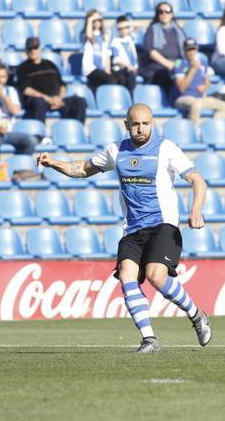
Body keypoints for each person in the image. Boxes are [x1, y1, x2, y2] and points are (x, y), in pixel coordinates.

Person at [36, 103, 212, 354]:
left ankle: (196, 315)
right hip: (132, 229)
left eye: (146, 123)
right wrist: (54, 163)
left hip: (163, 225)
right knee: (127, 275)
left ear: (152, 123)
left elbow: (197, 180)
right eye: (136, 124)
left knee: (155, 276)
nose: (141, 129)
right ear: (126, 125)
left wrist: (196, 210)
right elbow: (83, 169)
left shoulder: (166, 148)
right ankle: (149, 339)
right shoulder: (116, 150)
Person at [17, 37, 87, 123]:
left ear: (39, 49)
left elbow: (62, 85)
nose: (33, 51)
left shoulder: (50, 64)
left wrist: (59, 99)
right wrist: (48, 99)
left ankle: (77, 131)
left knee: (79, 101)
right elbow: (26, 90)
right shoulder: (22, 68)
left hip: (57, 99)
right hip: (40, 100)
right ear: (26, 51)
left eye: (35, 48)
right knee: (39, 103)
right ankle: (39, 135)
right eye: (30, 49)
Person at [0, 64, 39, 156]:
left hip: (9, 132)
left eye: (3, 77)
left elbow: (15, 111)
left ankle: (20, 165)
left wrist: (1, 94)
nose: (0, 80)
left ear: (7, 78)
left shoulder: (11, 91)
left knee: (31, 141)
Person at [172, 38, 225, 126]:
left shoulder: (203, 62)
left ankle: (213, 129)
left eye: (193, 49)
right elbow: (181, 88)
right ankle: (195, 132)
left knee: (224, 106)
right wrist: (193, 70)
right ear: (184, 50)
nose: (191, 52)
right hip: (183, 98)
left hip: (200, 97)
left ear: (197, 49)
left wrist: (205, 86)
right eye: (188, 49)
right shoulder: (179, 63)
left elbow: (207, 80)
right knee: (196, 105)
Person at [140, 2, 186, 100]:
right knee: (167, 74)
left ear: (172, 14)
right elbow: (151, 51)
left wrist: (178, 65)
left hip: (176, 64)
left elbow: (186, 49)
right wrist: (168, 64)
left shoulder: (179, 31)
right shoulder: (152, 29)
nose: (164, 14)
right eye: (161, 12)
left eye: (167, 11)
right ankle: (170, 103)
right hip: (157, 66)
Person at [80, 9, 117, 93]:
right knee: (110, 80)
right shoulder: (85, 34)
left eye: (99, 20)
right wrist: (90, 19)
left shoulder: (104, 36)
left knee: (118, 78)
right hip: (90, 69)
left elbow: (107, 54)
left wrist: (107, 70)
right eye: (94, 20)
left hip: (101, 68)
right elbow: (89, 35)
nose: (97, 22)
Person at [108, 15, 139, 92]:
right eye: (120, 29)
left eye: (126, 27)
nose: (123, 30)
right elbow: (116, 60)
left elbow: (137, 25)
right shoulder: (115, 41)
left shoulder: (130, 37)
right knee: (128, 78)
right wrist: (128, 66)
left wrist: (127, 23)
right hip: (122, 69)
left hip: (133, 68)